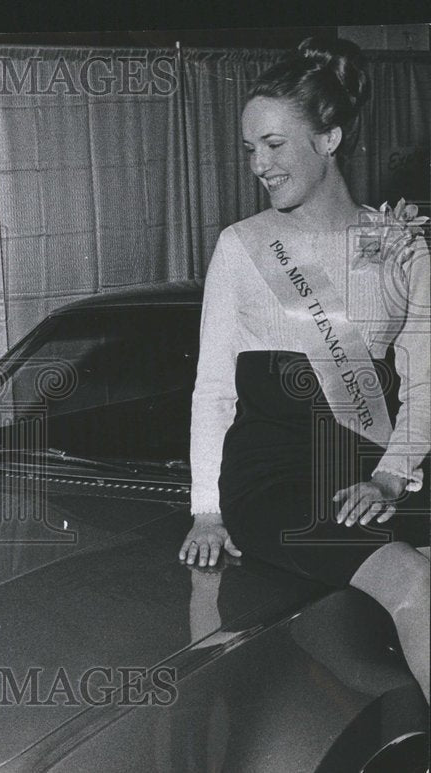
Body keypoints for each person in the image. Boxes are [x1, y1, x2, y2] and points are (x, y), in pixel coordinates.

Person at [180, 38, 430, 702]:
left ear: (330, 137)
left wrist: (389, 474)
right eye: (251, 149)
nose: (259, 164)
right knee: (406, 574)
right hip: (274, 476)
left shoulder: (394, 242)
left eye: (274, 144)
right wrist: (207, 509)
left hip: (367, 464)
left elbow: (424, 377)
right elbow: (213, 386)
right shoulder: (242, 246)